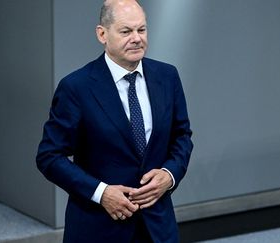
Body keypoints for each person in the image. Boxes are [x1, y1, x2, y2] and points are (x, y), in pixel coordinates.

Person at [36, 0, 193, 242]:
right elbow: (49, 156)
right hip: (99, 227)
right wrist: (102, 192)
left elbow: (181, 136)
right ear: (102, 34)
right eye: (126, 31)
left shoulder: (167, 76)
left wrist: (169, 174)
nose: (137, 38)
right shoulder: (76, 88)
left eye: (141, 29)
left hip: (157, 227)